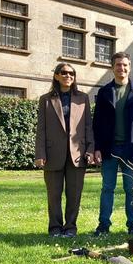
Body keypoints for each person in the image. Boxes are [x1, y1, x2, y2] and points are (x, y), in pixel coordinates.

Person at [92, 52, 133, 236]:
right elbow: (97, 123)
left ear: (130, 67)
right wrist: (97, 148)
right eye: (118, 65)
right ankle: (103, 225)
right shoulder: (104, 92)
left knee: (131, 189)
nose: (122, 68)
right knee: (107, 188)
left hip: (131, 148)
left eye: (125, 65)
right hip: (109, 148)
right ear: (112, 67)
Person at [35, 63, 94, 238]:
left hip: (77, 153)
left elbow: (88, 126)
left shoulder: (83, 98)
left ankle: (70, 228)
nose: (68, 76)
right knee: (54, 195)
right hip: (53, 154)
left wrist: (90, 149)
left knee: (74, 194)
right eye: (64, 73)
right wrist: (40, 154)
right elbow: (41, 129)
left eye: (72, 73)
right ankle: (54, 228)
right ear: (56, 76)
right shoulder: (46, 99)